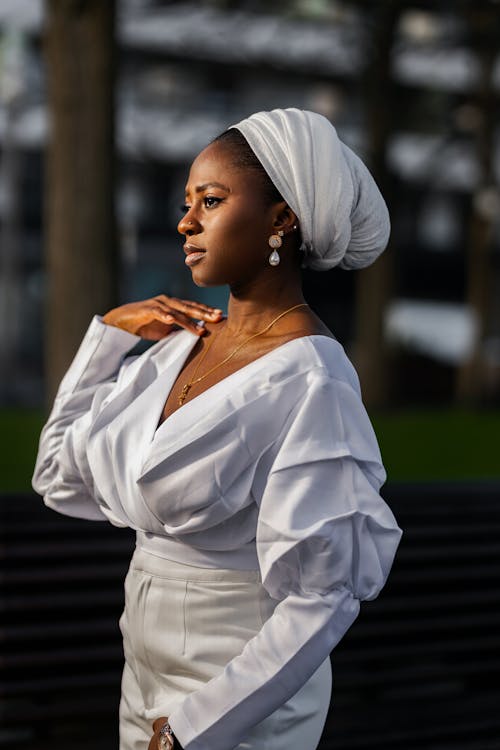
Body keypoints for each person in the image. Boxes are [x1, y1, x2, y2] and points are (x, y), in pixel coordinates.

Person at [33, 108, 403, 750]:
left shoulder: (313, 377)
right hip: (139, 678)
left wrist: (195, 727)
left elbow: (326, 592)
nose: (186, 222)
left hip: (239, 693)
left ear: (281, 217)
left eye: (211, 200)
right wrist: (108, 338)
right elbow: (57, 476)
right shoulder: (178, 348)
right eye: (187, 202)